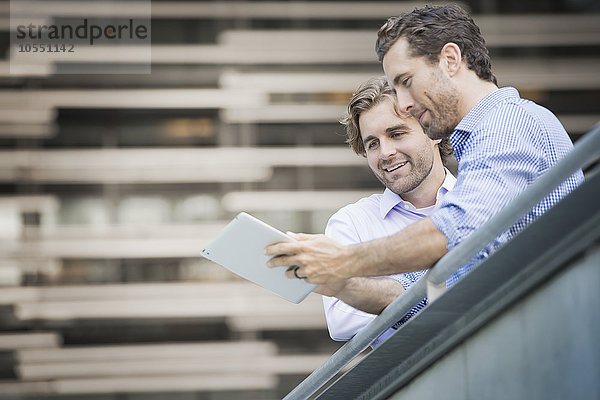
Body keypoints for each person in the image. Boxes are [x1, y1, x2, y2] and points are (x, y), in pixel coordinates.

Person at [265, 4, 583, 287]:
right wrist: (337, 280)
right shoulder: (486, 139)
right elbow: (451, 275)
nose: (404, 103)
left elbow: (456, 230)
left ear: (449, 59)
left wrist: (342, 260)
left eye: (405, 82)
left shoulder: (504, 124)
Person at [318, 76, 455, 347]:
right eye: (372, 143)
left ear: (433, 131)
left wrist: (382, 290)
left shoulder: (479, 197)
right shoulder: (352, 222)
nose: (385, 152)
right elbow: (342, 320)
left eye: (396, 134)